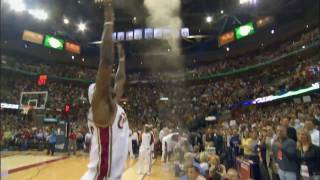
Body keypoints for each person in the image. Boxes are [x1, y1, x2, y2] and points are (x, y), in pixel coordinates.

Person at [81, 0, 129, 179]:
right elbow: (106, 62)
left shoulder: (111, 104)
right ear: (97, 96)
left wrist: (122, 61)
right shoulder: (101, 110)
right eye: (103, 86)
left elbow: (120, 80)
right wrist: (109, 22)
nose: (107, 85)